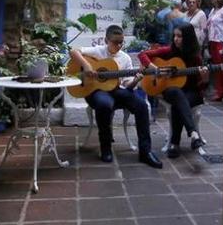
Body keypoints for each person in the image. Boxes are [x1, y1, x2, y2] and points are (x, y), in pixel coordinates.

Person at [70, 25, 163, 168]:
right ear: (106, 40)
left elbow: (127, 86)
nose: (119, 46)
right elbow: (73, 51)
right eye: (115, 42)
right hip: (95, 91)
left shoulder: (125, 58)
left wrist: (136, 79)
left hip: (117, 90)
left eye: (121, 42)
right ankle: (105, 148)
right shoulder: (97, 51)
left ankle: (145, 151)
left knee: (142, 106)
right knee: (104, 104)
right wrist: (87, 66)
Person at [138, 22, 208, 158]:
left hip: (191, 91)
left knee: (179, 103)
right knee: (176, 93)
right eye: (175, 35)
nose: (176, 39)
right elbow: (143, 55)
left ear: (187, 38)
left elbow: (201, 86)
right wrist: (155, 68)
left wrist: (204, 79)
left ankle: (175, 143)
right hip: (170, 88)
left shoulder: (196, 57)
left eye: (180, 36)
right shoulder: (169, 51)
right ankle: (193, 133)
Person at [205, 0, 223, 100]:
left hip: (221, 42)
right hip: (213, 41)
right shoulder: (213, 10)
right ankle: (219, 91)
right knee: (216, 68)